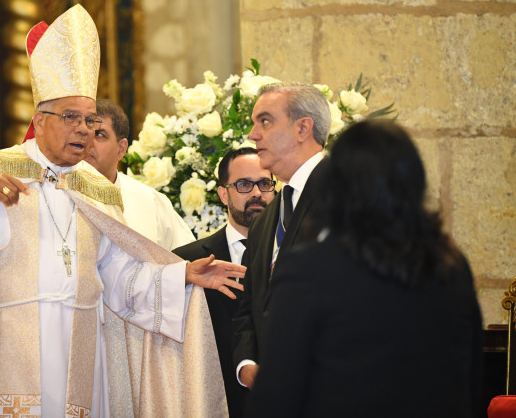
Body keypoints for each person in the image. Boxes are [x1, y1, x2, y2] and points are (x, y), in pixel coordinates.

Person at [0, 4, 244, 418]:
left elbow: (119, 275)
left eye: (89, 120)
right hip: (9, 346)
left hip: (82, 351)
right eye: (70, 117)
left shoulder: (95, 189)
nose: (83, 130)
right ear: (39, 120)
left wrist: (182, 273)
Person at [249, 120, 482, 417]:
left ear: (338, 185)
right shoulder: (450, 262)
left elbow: (277, 392)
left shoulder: (308, 269)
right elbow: (472, 375)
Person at [232, 82, 331, 391]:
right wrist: (247, 366)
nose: (252, 134)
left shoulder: (345, 195)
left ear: (303, 128)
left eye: (265, 121)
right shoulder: (266, 218)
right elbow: (251, 305)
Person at [174, 147, 275, 417]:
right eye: (244, 184)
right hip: (212, 404)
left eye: (264, 183)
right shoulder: (186, 261)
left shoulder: (295, 254)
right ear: (223, 193)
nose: (256, 193)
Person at [85, 98, 196, 251]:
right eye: (84, 133)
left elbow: (187, 262)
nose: (87, 142)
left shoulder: (151, 202)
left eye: (99, 135)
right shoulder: (57, 192)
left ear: (121, 149)